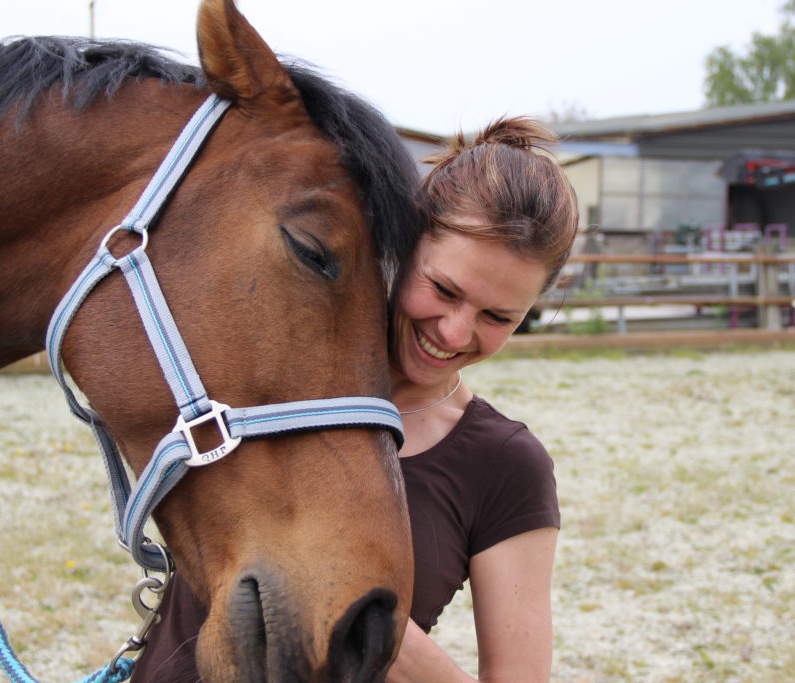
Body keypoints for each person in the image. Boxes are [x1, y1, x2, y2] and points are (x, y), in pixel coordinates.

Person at [132, 116, 579, 682]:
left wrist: (358, 603)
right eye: (443, 290)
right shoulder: (274, 371)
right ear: (403, 241)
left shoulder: (505, 464)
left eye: (498, 317)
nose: (455, 332)